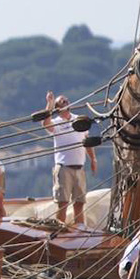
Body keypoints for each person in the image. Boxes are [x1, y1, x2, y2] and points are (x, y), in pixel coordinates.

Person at [43, 92, 97, 226]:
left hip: (79, 167)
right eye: (62, 101)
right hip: (64, 168)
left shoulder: (78, 120)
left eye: (66, 101)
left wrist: (93, 159)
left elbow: (86, 141)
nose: (66, 102)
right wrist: (49, 104)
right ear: (57, 107)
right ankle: (59, 230)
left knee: (79, 203)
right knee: (63, 203)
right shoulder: (56, 123)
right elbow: (46, 123)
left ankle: (80, 229)